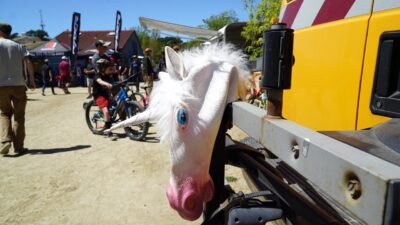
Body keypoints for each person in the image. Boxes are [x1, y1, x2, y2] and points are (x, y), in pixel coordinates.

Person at [0, 23, 35, 155]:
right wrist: (31, 79)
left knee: (5, 113)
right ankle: (18, 147)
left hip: (1, 86)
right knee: (19, 116)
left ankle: (5, 141)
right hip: (19, 85)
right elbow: (28, 62)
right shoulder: (18, 45)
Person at [92, 58, 116, 139]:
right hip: (98, 95)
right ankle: (108, 131)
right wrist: (107, 84)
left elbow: (110, 87)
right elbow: (100, 81)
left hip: (105, 94)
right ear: (102, 68)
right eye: (107, 67)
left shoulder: (107, 75)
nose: (109, 69)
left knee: (116, 105)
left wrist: (111, 93)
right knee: (106, 112)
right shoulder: (97, 75)